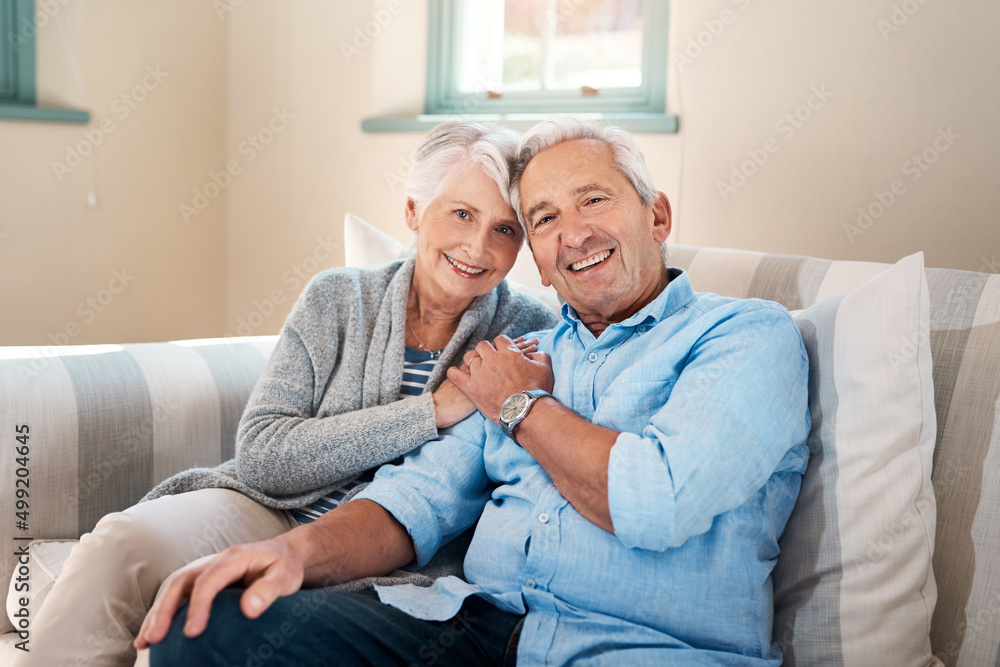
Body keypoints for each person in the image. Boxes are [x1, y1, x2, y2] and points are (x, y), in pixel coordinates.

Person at [139, 116, 811, 666]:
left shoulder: (745, 337)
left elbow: (657, 499)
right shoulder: (523, 354)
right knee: (209, 627)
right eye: (543, 219)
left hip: (639, 650)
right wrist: (292, 553)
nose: (572, 233)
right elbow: (415, 498)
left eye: (594, 199)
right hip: (474, 633)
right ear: (540, 266)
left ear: (657, 215)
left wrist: (524, 407)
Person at [16, 121, 558, 667]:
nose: (478, 246)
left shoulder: (528, 331)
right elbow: (263, 457)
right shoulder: (338, 298)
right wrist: (428, 412)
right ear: (415, 211)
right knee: (118, 547)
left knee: (206, 617)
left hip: (395, 551)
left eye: (505, 230)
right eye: (461, 214)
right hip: (272, 507)